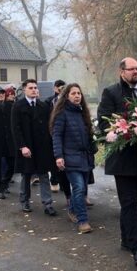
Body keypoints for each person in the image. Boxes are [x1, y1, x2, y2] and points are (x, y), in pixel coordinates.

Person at [97, 57, 137, 265]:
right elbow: (103, 122)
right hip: (122, 158)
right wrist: (124, 129)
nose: (136, 72)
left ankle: (126, 239)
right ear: (122, 72)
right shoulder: (111, 92)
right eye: (132, 69)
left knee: (132, 201)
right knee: (129, 202)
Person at [51, 83, 95, 233]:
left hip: (85, 158)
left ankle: (72, 209)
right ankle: (83, 221)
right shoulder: (62, 114)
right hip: (70, 157)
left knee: (82, 190)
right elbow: (56, 136)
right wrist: (58, 156)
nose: (77, 96)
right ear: (66, 96)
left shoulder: (84, 113)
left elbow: (89, 135)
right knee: (79, 188)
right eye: (73, 93)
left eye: (79, 93)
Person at [11, 79, 57, 216]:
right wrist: (22, 146)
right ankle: (24, 200)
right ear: (24, 89)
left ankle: (47, 203)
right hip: (27, 146)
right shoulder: (18, 106)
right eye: (30, 88)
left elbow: (49, 126)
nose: (34, 90)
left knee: (43, 175)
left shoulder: (43, 106)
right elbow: (16, 128)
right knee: (26, 174)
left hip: (41, 147)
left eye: (35, 88)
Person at [45, 79, 66, 193]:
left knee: (64, 158)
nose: (60, 89)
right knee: (54, 158)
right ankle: (54, 180)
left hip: (64, 133)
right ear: (54, 88)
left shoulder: (67, 101)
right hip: (52, 132)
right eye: (59, 87)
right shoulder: (49, 101)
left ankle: (64, 183)